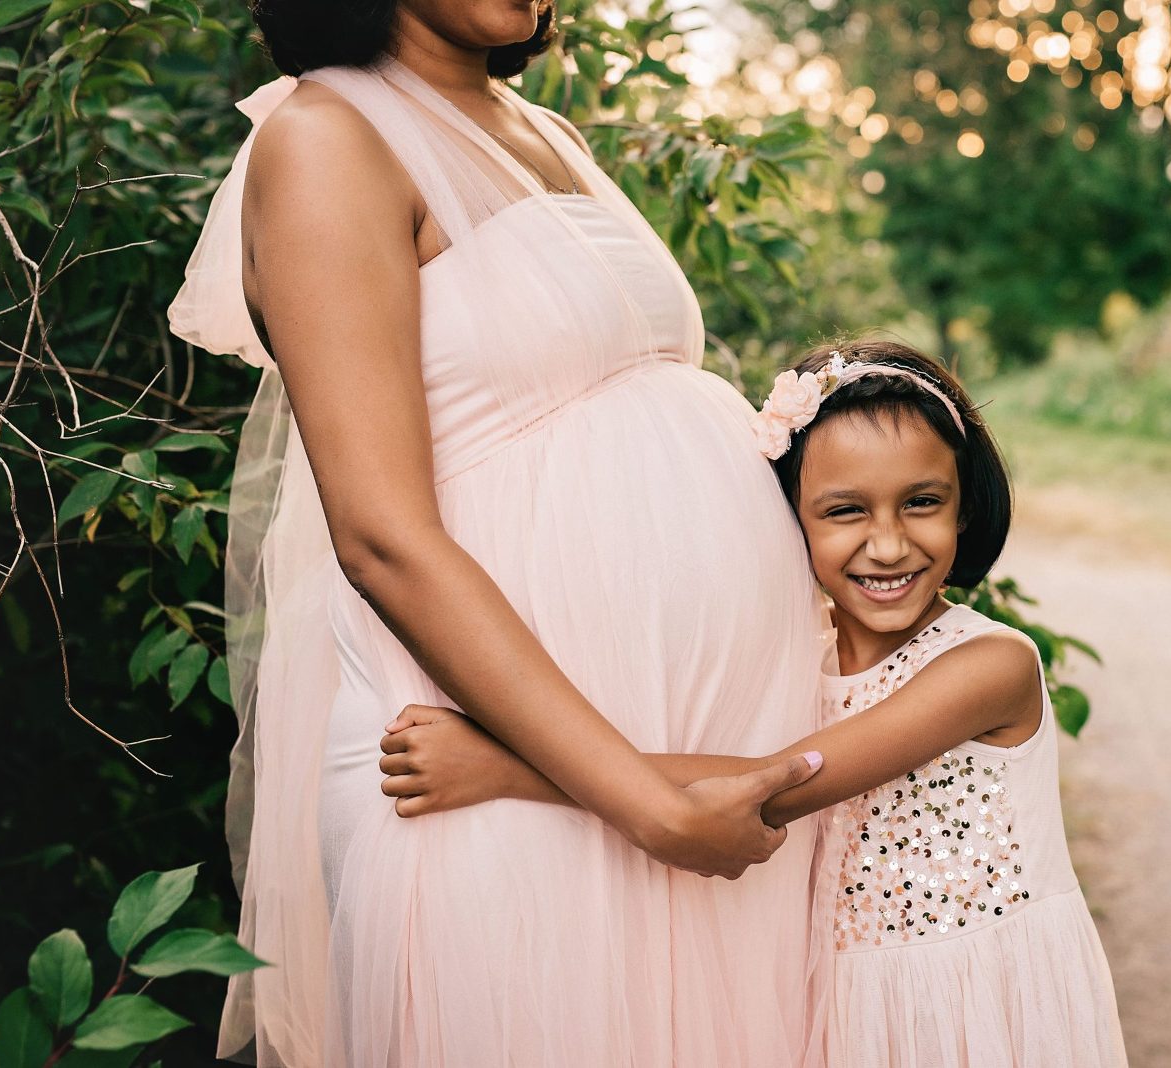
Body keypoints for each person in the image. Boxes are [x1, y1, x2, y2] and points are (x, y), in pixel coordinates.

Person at [168, 1, 832, 1064]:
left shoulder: (538, 126)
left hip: (668, 754)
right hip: (500, 759)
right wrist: (644, 804)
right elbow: (381, 535)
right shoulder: (329, 137)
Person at [387, 340, 1130, 1065]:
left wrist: (504, 766)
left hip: (971, 1001)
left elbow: (772, 783)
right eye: (845, 511)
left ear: (964, 509)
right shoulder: (793, 658)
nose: (889, 543)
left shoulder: (987, 667)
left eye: (922, 503)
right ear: (788, 521)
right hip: (841, 1005)